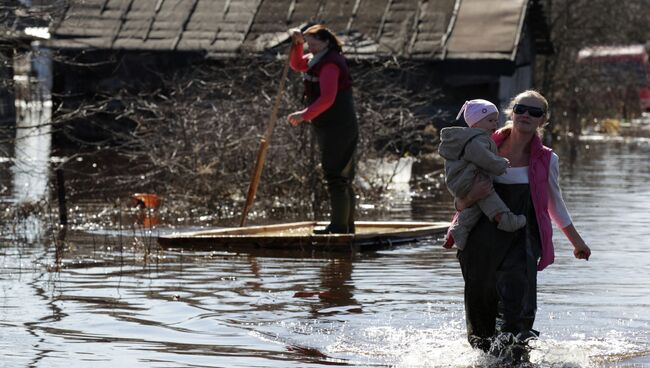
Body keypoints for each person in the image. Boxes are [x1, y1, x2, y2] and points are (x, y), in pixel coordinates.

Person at [444, 90, 592, 361]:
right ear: (511, 112)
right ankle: (485, 359)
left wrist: (577, 242)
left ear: (542, 120)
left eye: (534, 112)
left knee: (517, 300)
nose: (526, 115)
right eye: (521, 109)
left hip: (523, 235)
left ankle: (515, 357)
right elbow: (459, 192)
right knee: (481, 300)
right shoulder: (482, 144)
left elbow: (554, 205)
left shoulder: (548, 159)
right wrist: (468, 198)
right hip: (480, 235)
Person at [287, 24, 359, 234]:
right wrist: (297, 45)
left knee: (336, 175)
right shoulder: (315, 59)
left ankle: (339, 227)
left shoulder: (331, 64)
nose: (310, 46)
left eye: (313, 42)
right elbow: (297, 64)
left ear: (326, 42)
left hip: (339, 127)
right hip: (327, 125)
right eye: (308, 42)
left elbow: (328, 98)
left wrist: (304, 115)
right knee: (341, 177)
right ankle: (346, 226)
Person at [438, 99, 526, 250]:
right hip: (466, 179)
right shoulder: (475, 140)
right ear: (476, 123)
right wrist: (501, 164)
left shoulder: (475, 138)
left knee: (476, 207)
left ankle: (459, 230)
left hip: (461, 181)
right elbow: (484, 158)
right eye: (490, 120)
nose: (495, 124)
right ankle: (504, 218)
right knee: (488, 194)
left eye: (496, 121)